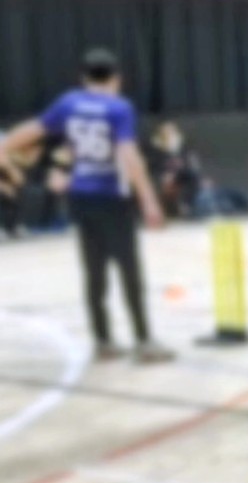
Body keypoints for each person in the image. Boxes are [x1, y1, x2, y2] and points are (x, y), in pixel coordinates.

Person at [0, 49, 174, 363]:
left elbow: (35, 129)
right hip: (112, 197)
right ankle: (144, 340)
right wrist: (148, 199)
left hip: (81, 195)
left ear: (84, 78)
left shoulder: (69, 102)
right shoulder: (119, 108)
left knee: (94, 270)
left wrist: (4, 145)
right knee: (128, 269)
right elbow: (129, 155)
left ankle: (103, 340)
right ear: (116, 78)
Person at [147, 120, 204, 219]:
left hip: (182, 175)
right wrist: (164, 176)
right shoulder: (154, 149)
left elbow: (191, 163)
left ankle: (186, 204)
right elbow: (152, 167)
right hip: (163, 177)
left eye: (172, 131)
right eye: (166, 132)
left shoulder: (183, 147)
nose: (170, 134)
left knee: (192, 175)